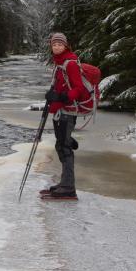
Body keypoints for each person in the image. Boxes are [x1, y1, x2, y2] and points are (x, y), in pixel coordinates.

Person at [41, 32, 89, 199]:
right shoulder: (59, 63)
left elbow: (78, 89)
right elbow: (60, 85)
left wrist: (62, 97)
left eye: (60, 44)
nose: (57, 47)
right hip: (59, 110)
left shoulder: (70, 63)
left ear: (66, 46)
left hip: (68, 111)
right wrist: (52, 95)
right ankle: (65, 183)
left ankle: (69, 187)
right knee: (61, 145)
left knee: (64, 147)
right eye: (54, 44)